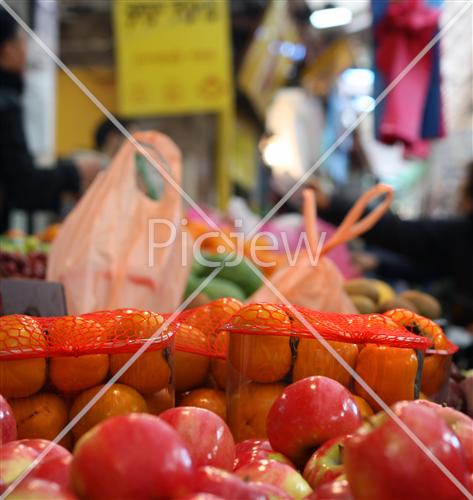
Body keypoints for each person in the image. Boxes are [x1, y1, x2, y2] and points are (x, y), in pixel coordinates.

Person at [310, 161, 473, 328]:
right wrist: (379, 261)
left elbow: (399, 232)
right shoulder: (462, 235)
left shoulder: (462, 232)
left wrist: (330, 204)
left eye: (466, 182)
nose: (460, 188)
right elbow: (429, 267)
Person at [0, 8, 101, 231]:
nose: (26, 52)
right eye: (22, 42)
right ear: (7, 50)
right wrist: (75, 173)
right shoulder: (6, 104)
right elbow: (22, 185)